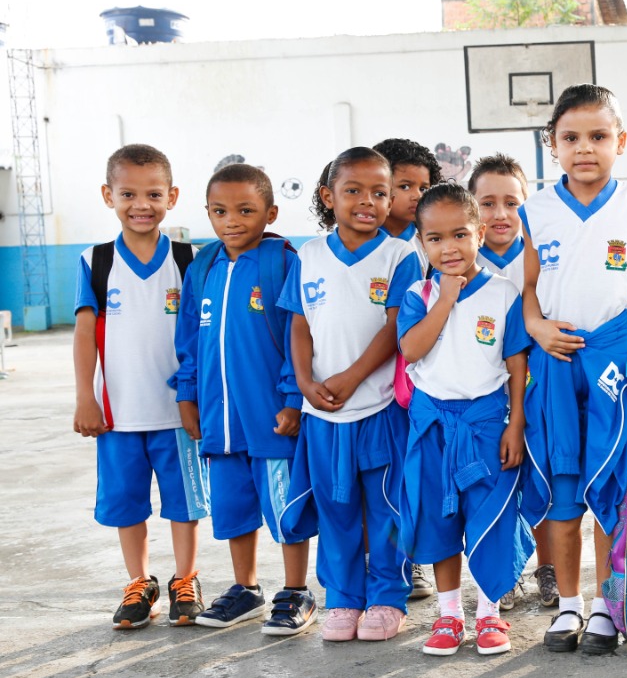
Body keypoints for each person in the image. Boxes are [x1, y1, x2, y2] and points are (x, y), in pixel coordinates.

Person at [521, 84, 627, 655]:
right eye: (570, 138)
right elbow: (526, 291)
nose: (584, 148)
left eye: (597, 136)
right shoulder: (534, 210)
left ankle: (605, 604)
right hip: (556, 356)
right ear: (553, 145)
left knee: (614, 488)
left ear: (621, 142)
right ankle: (567, 606)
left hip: (614, 355)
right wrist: (537, 325)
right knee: (564, 487)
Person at [280, 147, 420, 641]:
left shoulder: (400, 256)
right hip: (322, 411)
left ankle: (387, 596)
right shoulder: (310, 255)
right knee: (336, 508)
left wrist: (354, 376)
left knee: (385, 508)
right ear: (328, 197)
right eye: (353, 191)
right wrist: (304, 382)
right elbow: (299, 324)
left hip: (379, 406)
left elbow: (395, 326)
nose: (368, 201)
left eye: (380, 193)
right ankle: (342, 598)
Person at [172, 163, 318, 635]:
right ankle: (246, 588)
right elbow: (190, 339)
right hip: (219, 418)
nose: (231, 221)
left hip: (269, 416)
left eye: (245, 210)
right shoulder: (203, 267)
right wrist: (188, 395)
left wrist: (293, 398)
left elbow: (301, 337)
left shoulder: (282, 262)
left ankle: (296, 590)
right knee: (233, 509)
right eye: (219, 211)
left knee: (284, 507)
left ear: (269, 212)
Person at [72, 144, 209, 629]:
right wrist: (86, 396)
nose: (141, 204)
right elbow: (86, 332)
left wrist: (200, 397)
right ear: (108, 195)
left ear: (172, 196)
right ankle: (139, 582)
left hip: (177, 412)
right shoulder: (97, 260)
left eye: (153, 193)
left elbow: (202, 334)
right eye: (128, 193)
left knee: (183, 504)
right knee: (127, 503)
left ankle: (185, 580)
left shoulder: (190, 259)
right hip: (117, 414)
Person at [398, 181, 535, 656]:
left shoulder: (502, 293)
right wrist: (446, 298)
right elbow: (411, 349)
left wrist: (515, 424)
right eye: (435, 239)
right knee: (437, 519)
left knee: (489, 517)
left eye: (459, 234)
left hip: (485, 423)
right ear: (422, 243)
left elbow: (517, 365)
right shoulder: (419, 293)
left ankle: (490, 614)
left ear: (479, 232)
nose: (448, 247)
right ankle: (449, 614)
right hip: (432, 424)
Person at [469, 153, 558, 611]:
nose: (500, 214)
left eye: (511, 202)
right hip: (483, 400)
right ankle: (503, 574)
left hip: (539, 387)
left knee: (541, 478)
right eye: (487, 203)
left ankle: (549, 568)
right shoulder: (459, 260)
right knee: (495, 486)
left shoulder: (541, 256)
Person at [371, 137, 442, 601]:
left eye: (424, 185)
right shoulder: (373, 248)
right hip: (371, 383)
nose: (416, 195)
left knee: (412, 475)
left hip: (415, 380)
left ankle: (412, 560)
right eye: (404, 185)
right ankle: (390, 560)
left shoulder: (431, 242)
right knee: (381, 480)